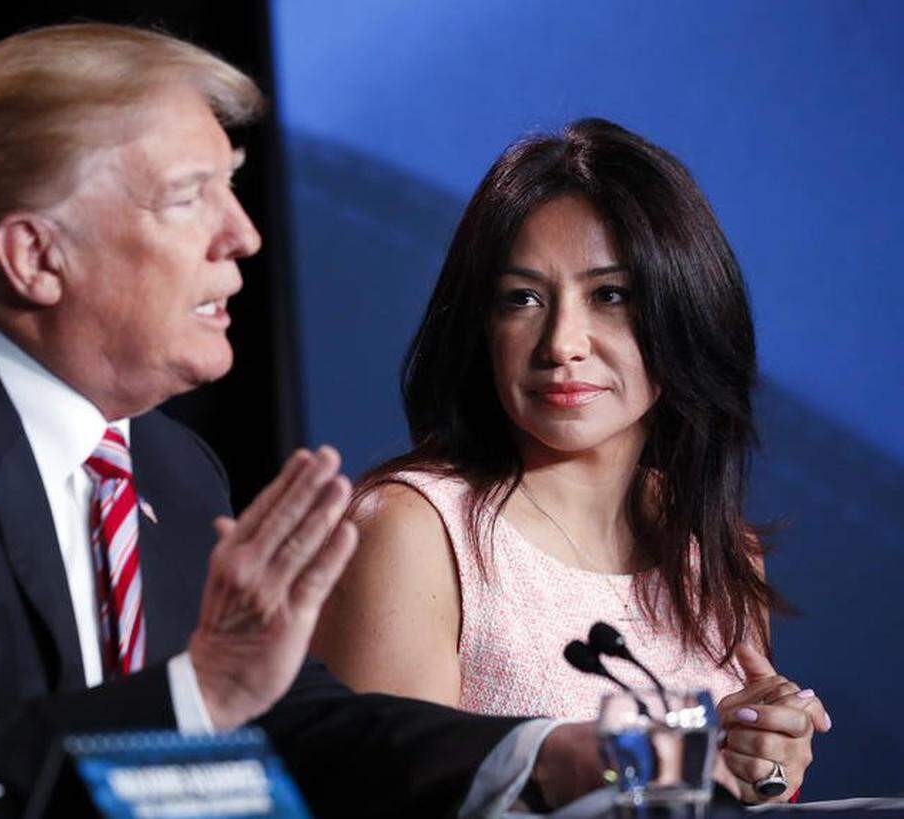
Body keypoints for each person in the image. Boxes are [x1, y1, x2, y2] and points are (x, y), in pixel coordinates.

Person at [0, 24, 607, 818]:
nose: (241, 235)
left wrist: (545, 752)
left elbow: (288, 718)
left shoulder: (171, 464)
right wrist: (193, 695)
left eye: (233, 187)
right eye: (188, 195)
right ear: (34, 256)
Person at [311, 119, 831, 803]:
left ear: (684, 310)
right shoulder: (413, 528)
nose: (562, 342)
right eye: (522, 298)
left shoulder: (720, 550)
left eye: (609, 296)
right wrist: (654, 762)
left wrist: (762, 765)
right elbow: (378, 802)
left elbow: (699, 786)